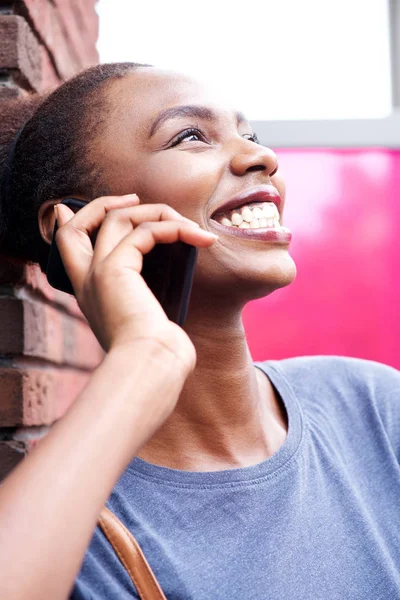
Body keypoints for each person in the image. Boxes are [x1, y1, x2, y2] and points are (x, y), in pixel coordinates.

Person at [0, 62, 399, 600]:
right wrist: (148, 354)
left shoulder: (373, 407)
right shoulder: (65, 525)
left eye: (250, 135)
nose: (262, 157)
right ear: (76, 223)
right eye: (190, 136)